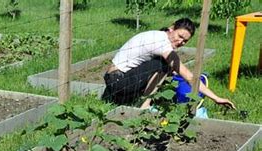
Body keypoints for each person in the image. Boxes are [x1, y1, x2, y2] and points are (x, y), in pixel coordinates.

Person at [101, 18, 235, 110]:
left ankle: (131, 100)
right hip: (118, 81)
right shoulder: (162, 44)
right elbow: (188, 76)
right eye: (180, 36)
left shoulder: (157, 36)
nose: (181, 42)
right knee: (164, 65)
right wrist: (216, 98)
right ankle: (144, 106)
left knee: (168, 68)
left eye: (185, 41)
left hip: (115, 79)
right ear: (171, 29)